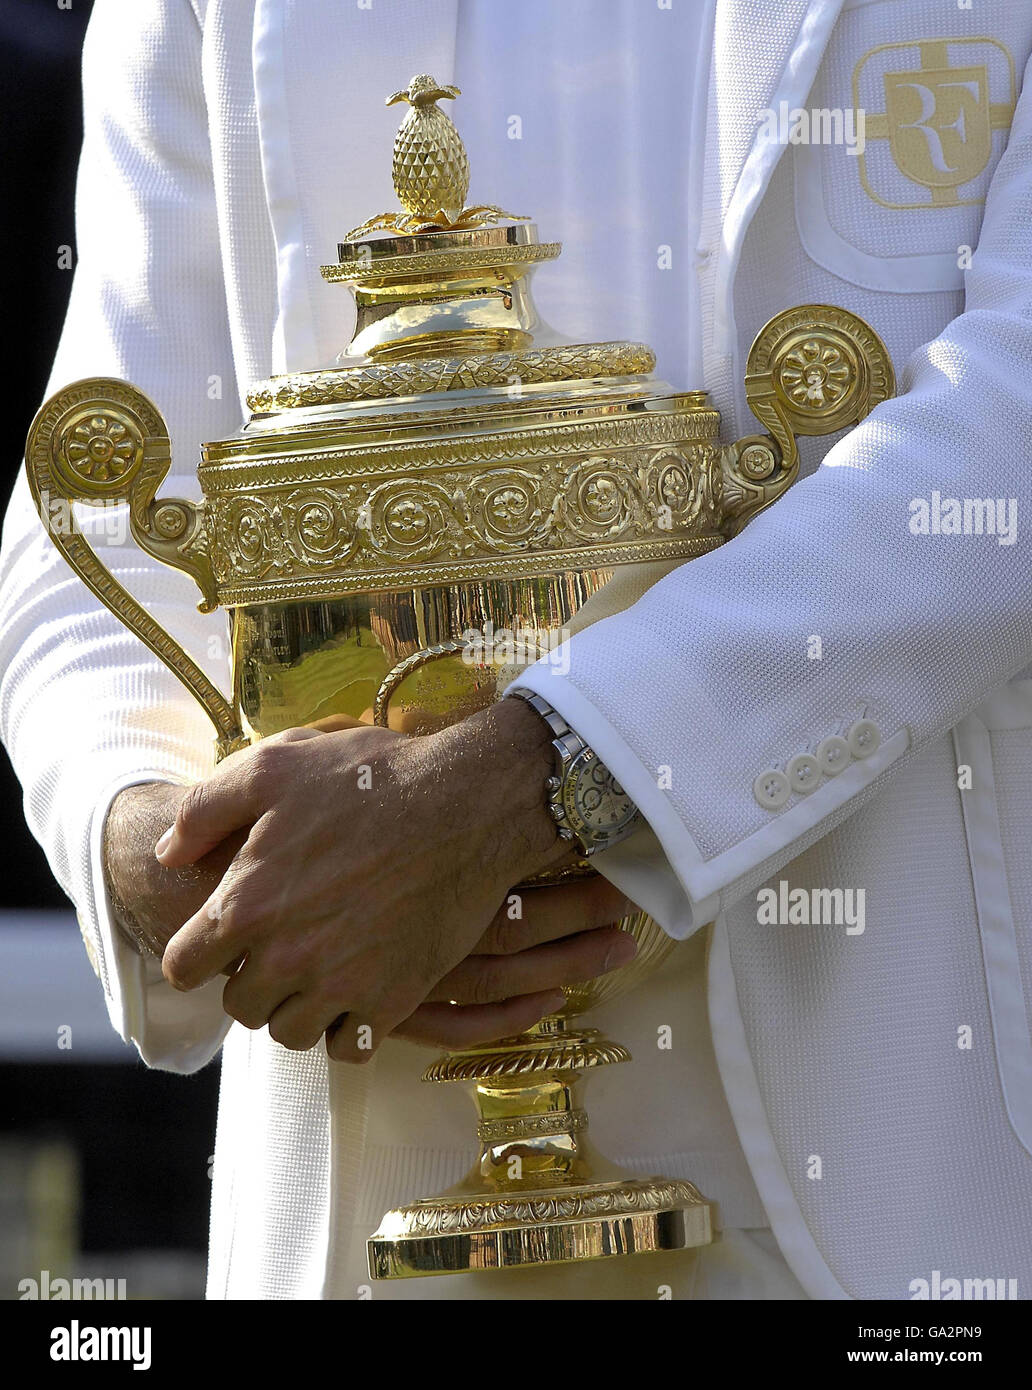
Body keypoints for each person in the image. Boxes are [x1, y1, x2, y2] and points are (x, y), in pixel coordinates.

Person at [3, 0, 1032, 1300]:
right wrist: (164, 854)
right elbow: (100, 494)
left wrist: (549, 774)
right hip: (359, 1206)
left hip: (905, 1179)